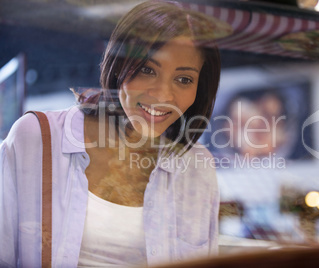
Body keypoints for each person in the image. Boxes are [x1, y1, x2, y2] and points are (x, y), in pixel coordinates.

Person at [0, 1, 230, 267]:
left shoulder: (196, 167)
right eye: (147, 70)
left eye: (184, 79)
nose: (164, 95)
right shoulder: (35, 139)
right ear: (119, 66)